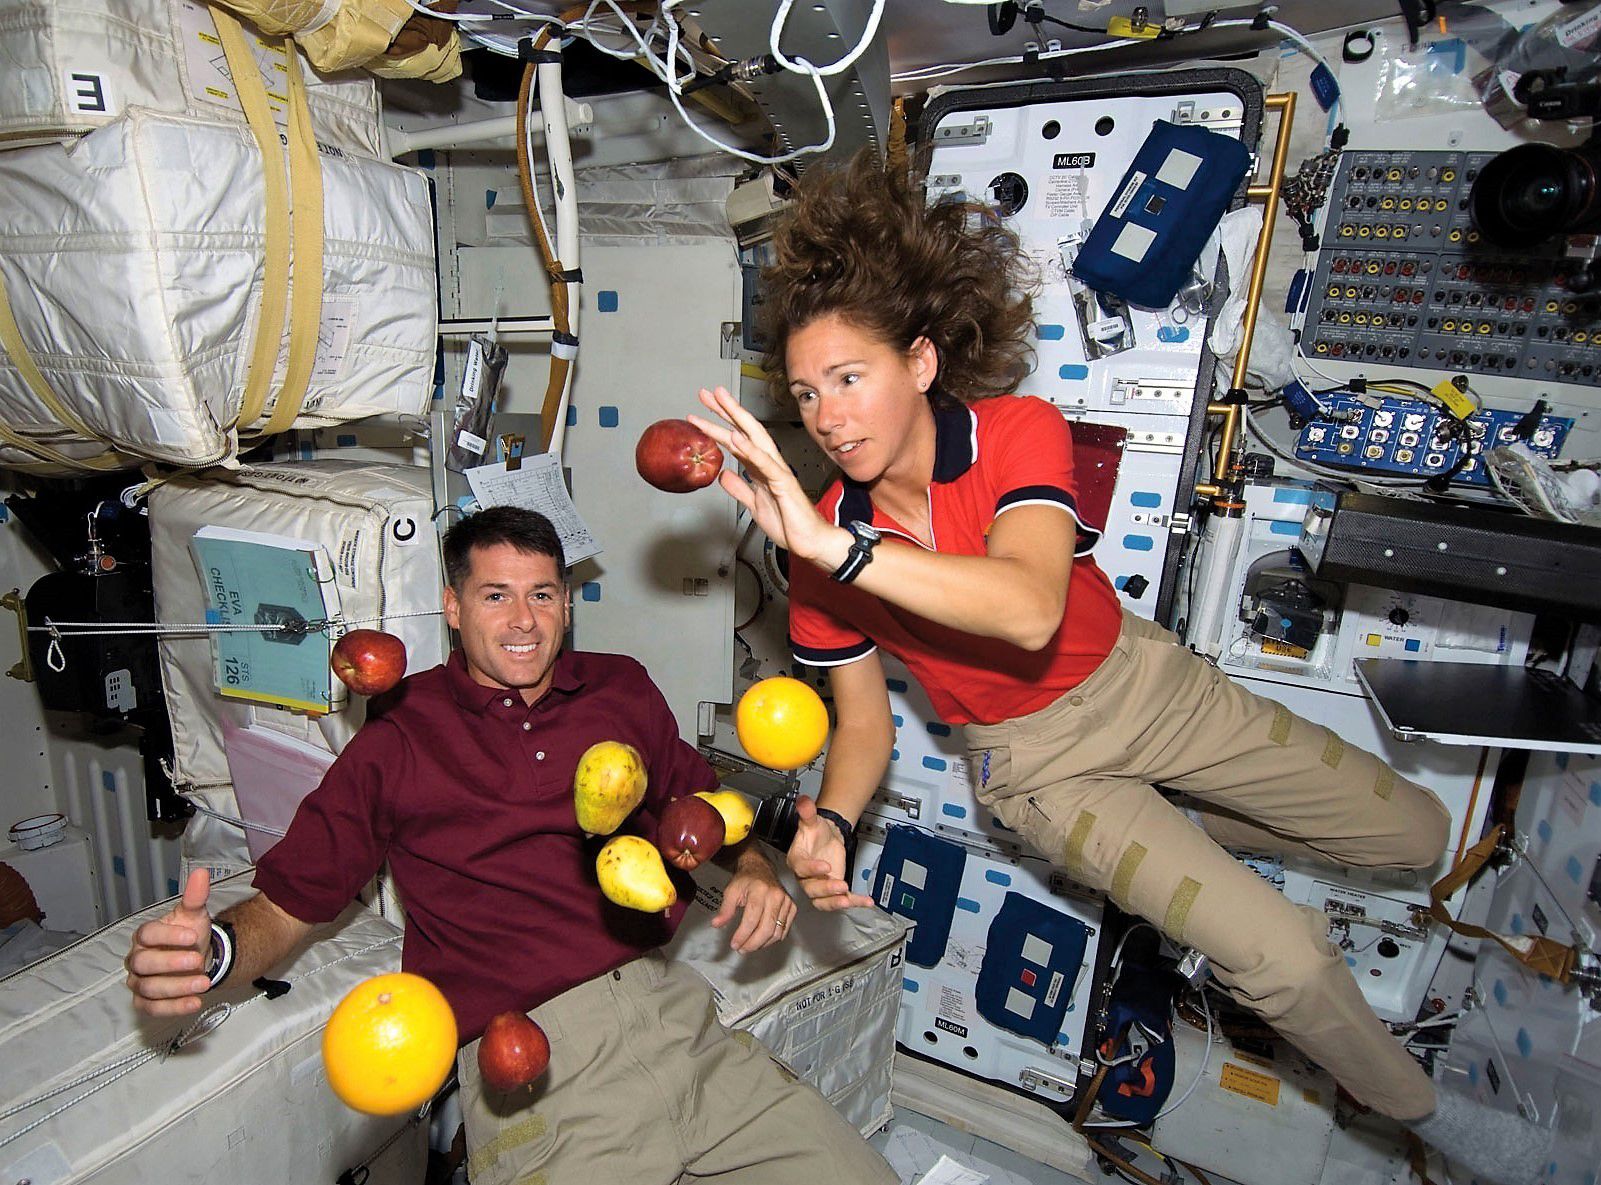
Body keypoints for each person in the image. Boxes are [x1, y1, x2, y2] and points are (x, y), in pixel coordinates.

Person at [687, 150, 1549, 1185]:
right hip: (1041, 768)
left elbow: (1028, 607)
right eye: (804, 393)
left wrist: (840, 549)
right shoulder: (822, 545)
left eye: (846, 378)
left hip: (1147, 689)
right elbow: (863, 722)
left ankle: (1178, 833)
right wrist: (830, 817)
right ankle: (1430, 1115)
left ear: (917, 362)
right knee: (1284, 959)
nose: (826, 416)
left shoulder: (1011, 434)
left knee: (1415, 833)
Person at [125, 506, 896, 1185]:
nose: (524, 620)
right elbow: (290, 903)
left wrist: (755, 867)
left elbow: (701, 808)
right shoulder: (401, 736)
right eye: (496, 595)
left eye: (542, 594)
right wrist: (212, 953)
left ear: (566, 603)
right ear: (453, 607)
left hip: (680, 1022)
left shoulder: (620, 687)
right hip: (534, 1067)